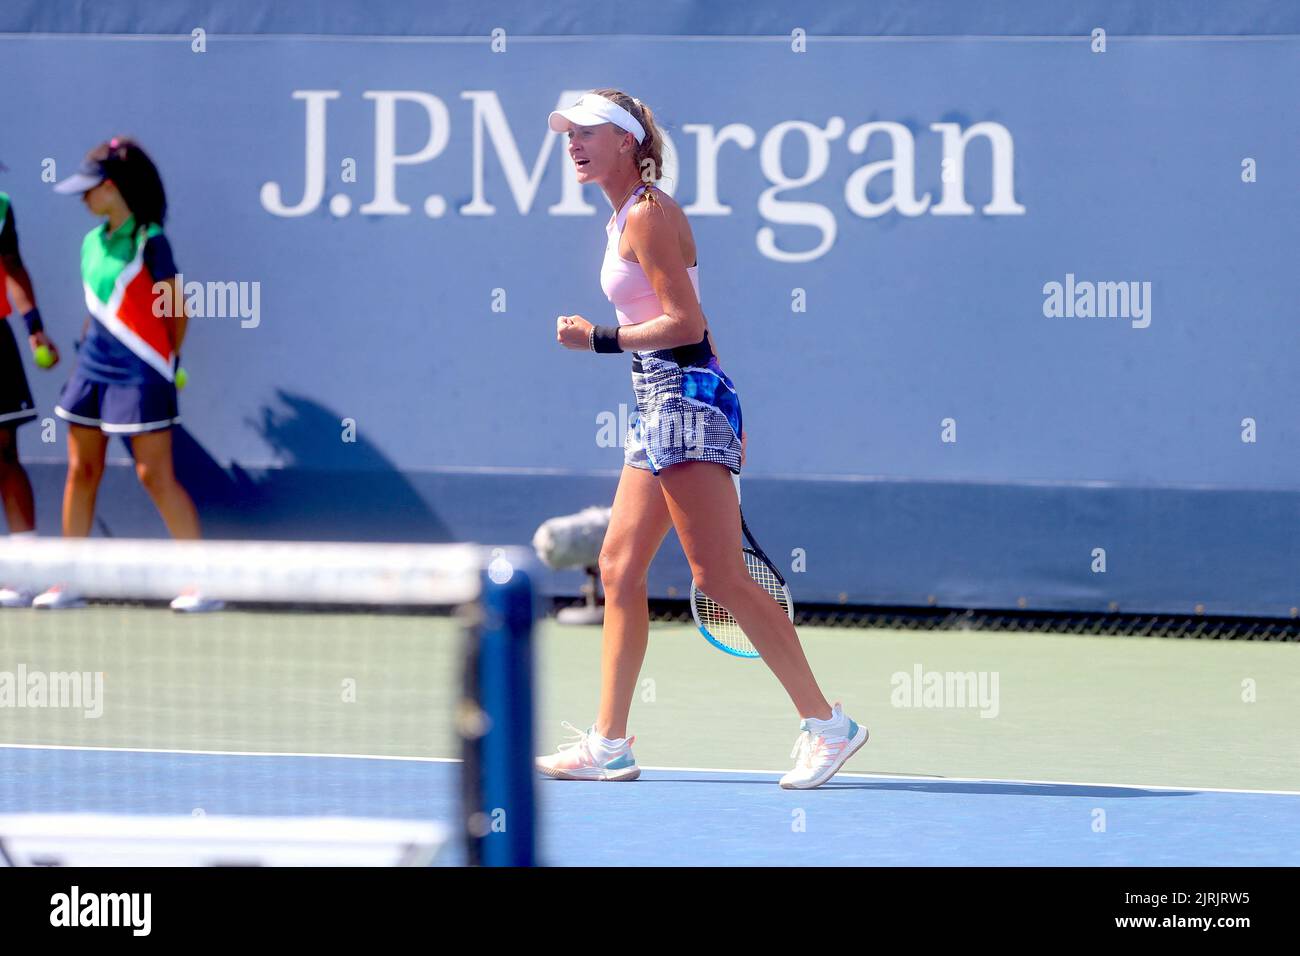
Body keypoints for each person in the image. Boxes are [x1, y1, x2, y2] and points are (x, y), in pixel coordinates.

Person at [537, 91, 868, 789]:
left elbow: (684, 323)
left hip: (681, 403)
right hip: (665, 401)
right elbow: (696, 325)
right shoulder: (624, 216)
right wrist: (731, 406)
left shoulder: (651, 217)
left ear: (627, 142)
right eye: (568, 134)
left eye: (587, 132)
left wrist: (596, 339)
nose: (573, 143)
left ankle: (828, 725)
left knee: (718, 577)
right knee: (619, 568)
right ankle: (610, 743)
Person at [36, 137, 220, 612]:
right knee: (82, 470)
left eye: (89, 189)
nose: (82, 197)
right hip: (92, 369)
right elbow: (95, 311)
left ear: (113, 188)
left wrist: (165, 362)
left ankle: (205, 584)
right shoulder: (90, 243)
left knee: (153, 475)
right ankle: (67, 581)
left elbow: (176, 312)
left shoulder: (151, 241)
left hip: (142, 372)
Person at [0, 188, 61, 607]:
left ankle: (23, 570)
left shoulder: (2, 204)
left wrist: (34, 327)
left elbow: (13, 267)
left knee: (5, 453)